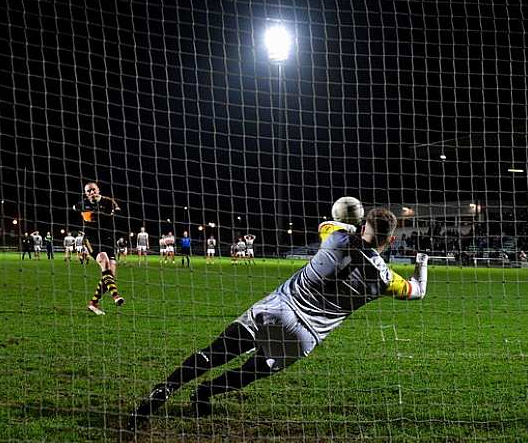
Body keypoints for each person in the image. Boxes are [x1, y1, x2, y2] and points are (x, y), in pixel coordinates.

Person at [130, 208, 430, 427]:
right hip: (304, 336)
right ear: (390, 241)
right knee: (251, 371)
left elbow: (326, 222)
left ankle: (164, 391)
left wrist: (354, 226)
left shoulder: (336, 237)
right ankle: (204, 394)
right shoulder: (387, 279)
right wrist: (421, 264)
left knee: (215, 352)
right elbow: (418, 291)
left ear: (362, 224)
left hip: (277, 309)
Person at [74, 181, 124, 315]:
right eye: (88, 191)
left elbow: (120, 214)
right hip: (91, 238)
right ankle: (116, 295)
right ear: (85, 194)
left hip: (108, 238)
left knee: (110, 273)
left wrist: (112, 214)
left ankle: (93, 303)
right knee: (103, 260)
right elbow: (86, 215)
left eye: (93, 190)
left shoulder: (109, 201)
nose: (91, 192)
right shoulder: (83, 204)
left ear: (98, 190)